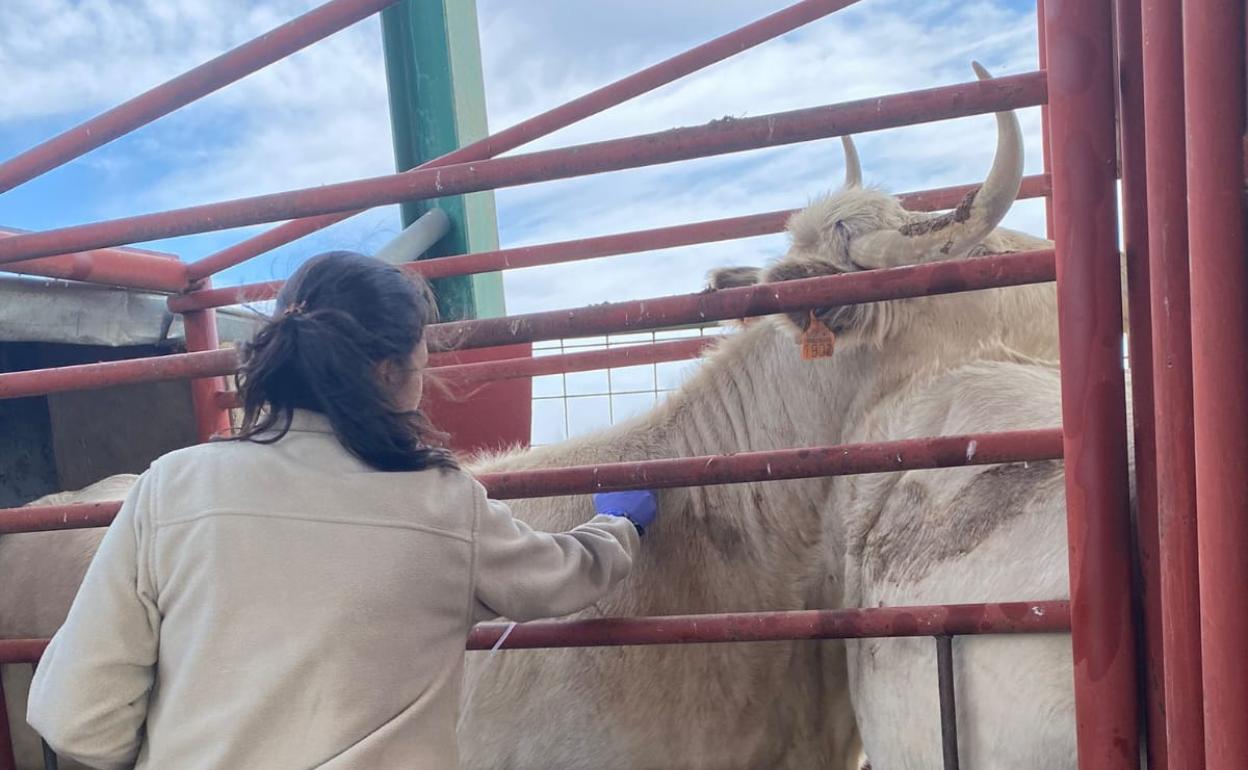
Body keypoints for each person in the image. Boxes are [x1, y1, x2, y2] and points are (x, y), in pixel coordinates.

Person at [26, 250, 659, 770]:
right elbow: (560, 577)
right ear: (389, 373)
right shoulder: (440, 502)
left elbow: (76, 718)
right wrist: (618, 525)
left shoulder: (172, 485)